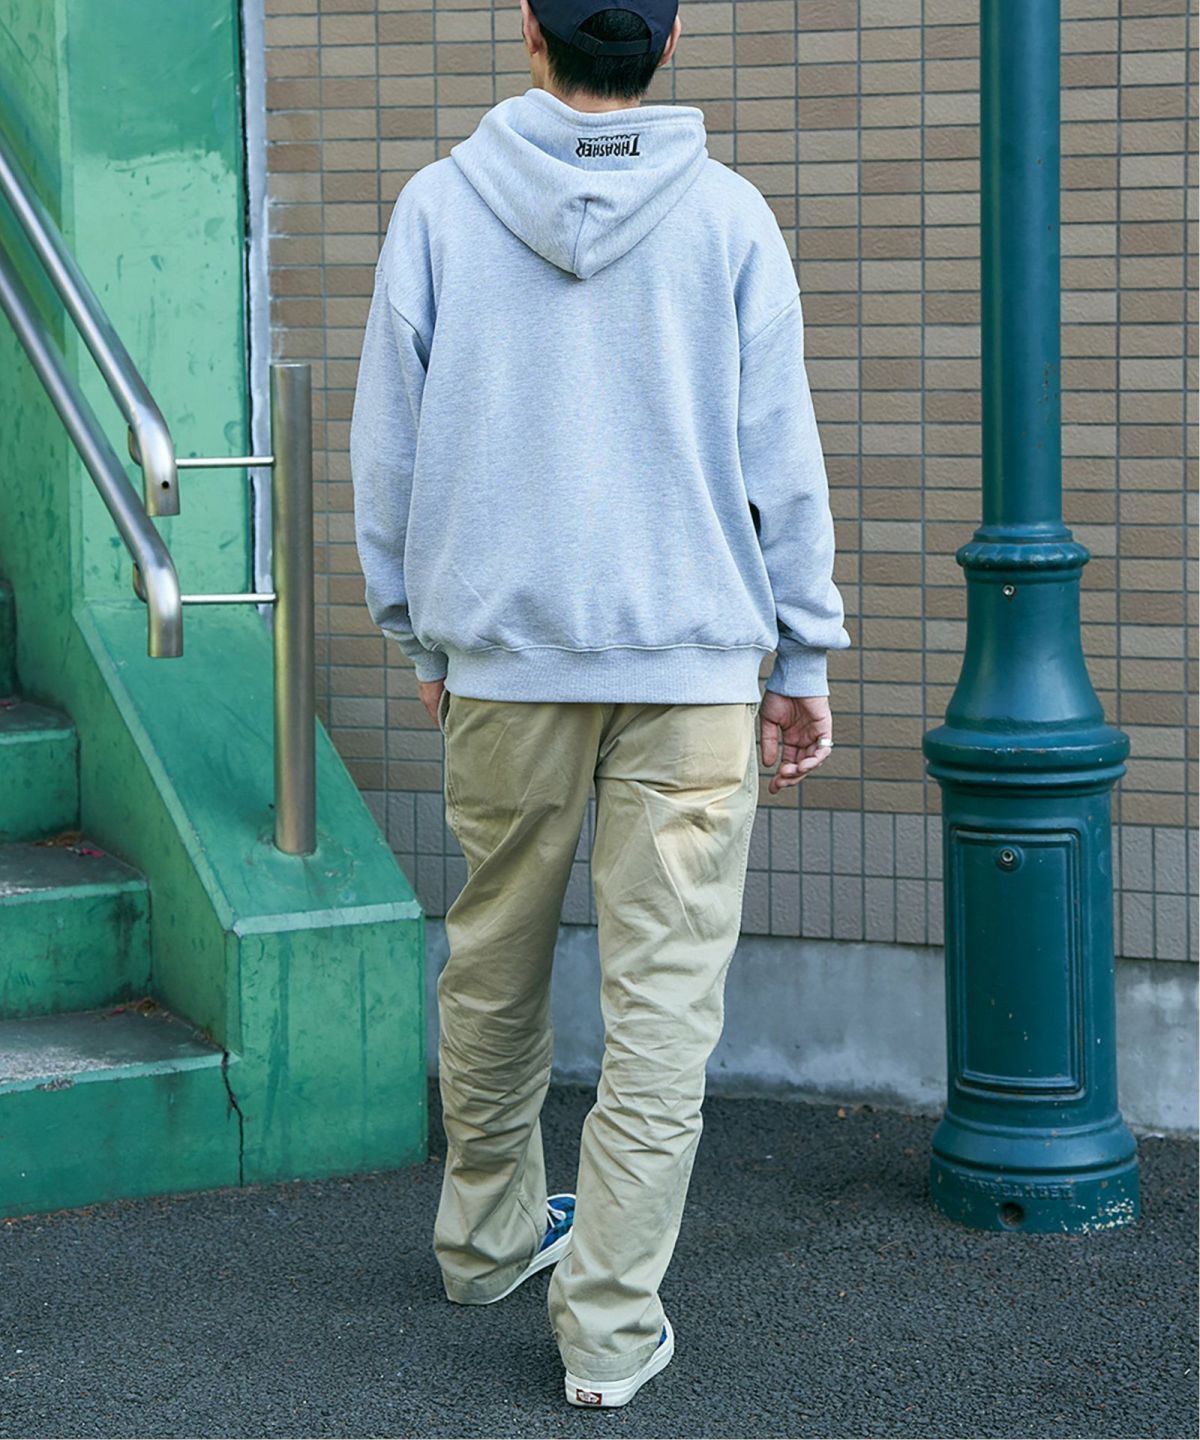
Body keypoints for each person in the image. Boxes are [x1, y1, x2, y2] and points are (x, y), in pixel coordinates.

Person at [350, 0, 851, 1410]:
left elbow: (388, 449)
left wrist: (418, 630)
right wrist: (804, 657)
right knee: (664, 1007)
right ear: (669, 43)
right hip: (690, 673)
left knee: (492, 956)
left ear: (530, 30)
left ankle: (485, 1243)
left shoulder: (441, 206)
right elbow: (783, 454)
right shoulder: (731, 217)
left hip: (503, 663)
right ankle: (611, 1332)